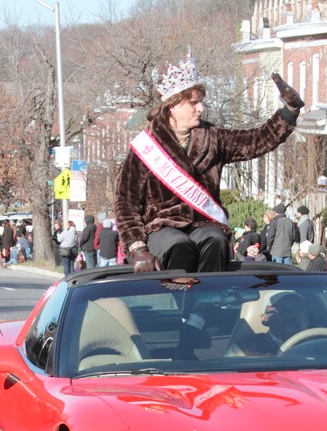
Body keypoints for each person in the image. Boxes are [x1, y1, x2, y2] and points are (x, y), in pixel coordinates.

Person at [114, 52, 303, 273]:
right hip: (162, 228)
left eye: (200, 102)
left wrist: (289, 112)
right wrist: (137, 247)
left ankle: (211, 303)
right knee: (178, 245)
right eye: (193, 103)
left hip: (205, 224)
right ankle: (177, 302)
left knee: (216, 241)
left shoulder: (212, 138)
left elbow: (256, 140)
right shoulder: (145, 148)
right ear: (172, 106)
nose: (201, 108)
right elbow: (125, 203)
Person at [227, 291, 310, 356]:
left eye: (297, 309)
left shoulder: (318, 342)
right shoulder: (246, 348)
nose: (291, 315)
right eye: (282, 310)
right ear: (265, 319)